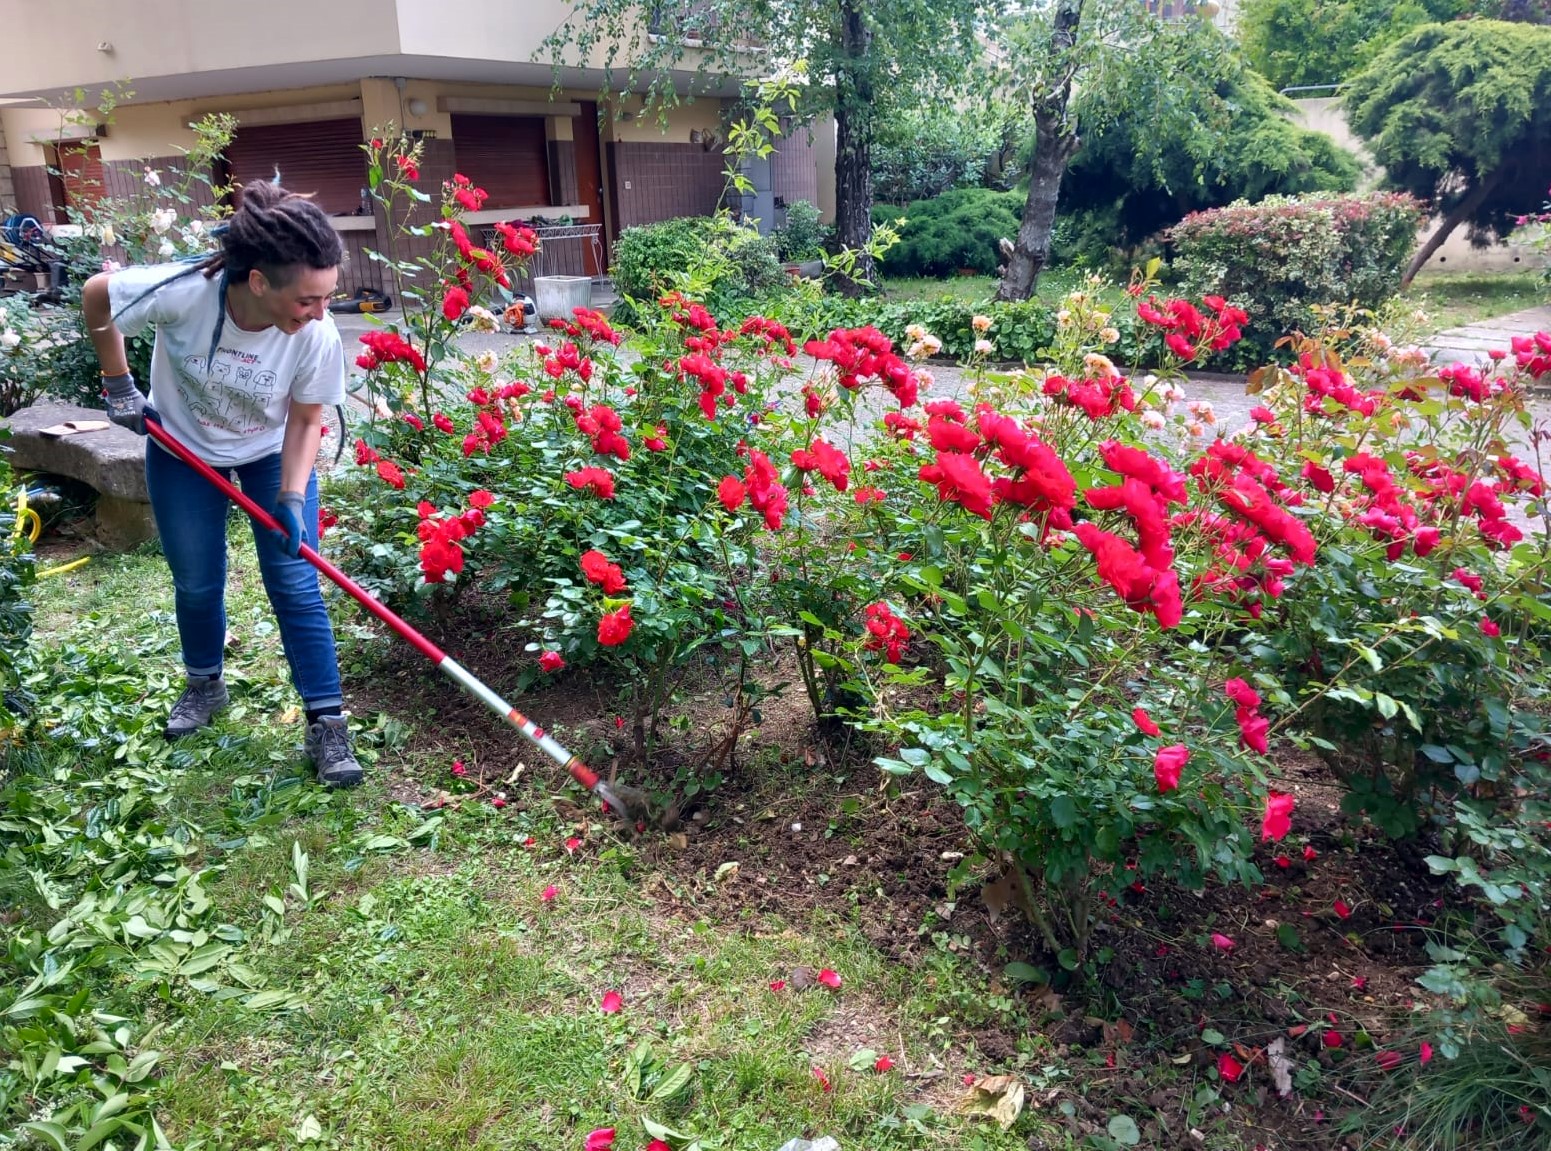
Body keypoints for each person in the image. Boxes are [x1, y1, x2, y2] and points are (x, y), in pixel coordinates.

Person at [81, 181, 363, 788]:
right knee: (198, 578)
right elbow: (97, 294)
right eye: (308, 299)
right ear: (259, 280)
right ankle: (204, 684)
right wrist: (117, 384)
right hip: (182, 448)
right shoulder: (186, 293)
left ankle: (326, 721)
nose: (320, 313)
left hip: (269, 455)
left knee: (295, 580)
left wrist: (291, 497)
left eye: (326, 298)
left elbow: (307, 418)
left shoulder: (315, 336)